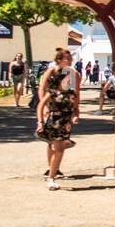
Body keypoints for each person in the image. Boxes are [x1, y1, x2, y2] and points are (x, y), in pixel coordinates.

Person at [36, 48, 80, 189]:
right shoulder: (52, 72)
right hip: (53, 111)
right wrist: (45, 109)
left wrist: (75, 112)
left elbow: (75, 94)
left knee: (57, 145)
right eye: (66, 58)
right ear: (59, 59)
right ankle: (52, 171)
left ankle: (52, 170)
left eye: (70, 58)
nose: (69, 60)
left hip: (65, 114)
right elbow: (42, 89)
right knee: (54, 144)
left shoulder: (73, 74)